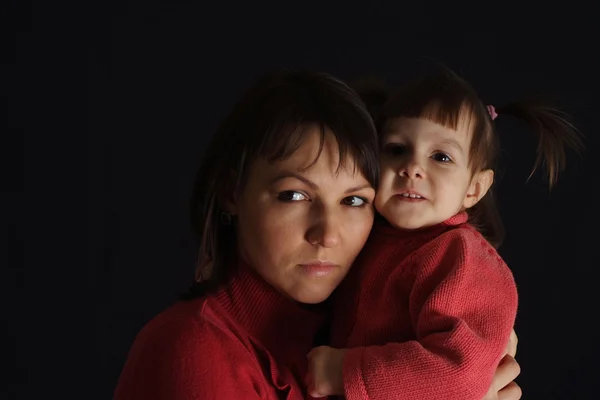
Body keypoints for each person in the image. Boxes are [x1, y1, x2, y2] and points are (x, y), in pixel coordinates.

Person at [113, 69, 522, 400]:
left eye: (354, 201)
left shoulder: (349, 340)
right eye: (294, 195)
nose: (327, 234)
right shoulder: (193, 350)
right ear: (231, 192)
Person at [306, 69, 583, 399]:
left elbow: (461, 371)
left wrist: (340, 372)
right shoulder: (365, 234)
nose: (412, 167)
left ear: (474, 189)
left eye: (441, 157)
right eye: (396, 149)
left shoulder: (459, 258)